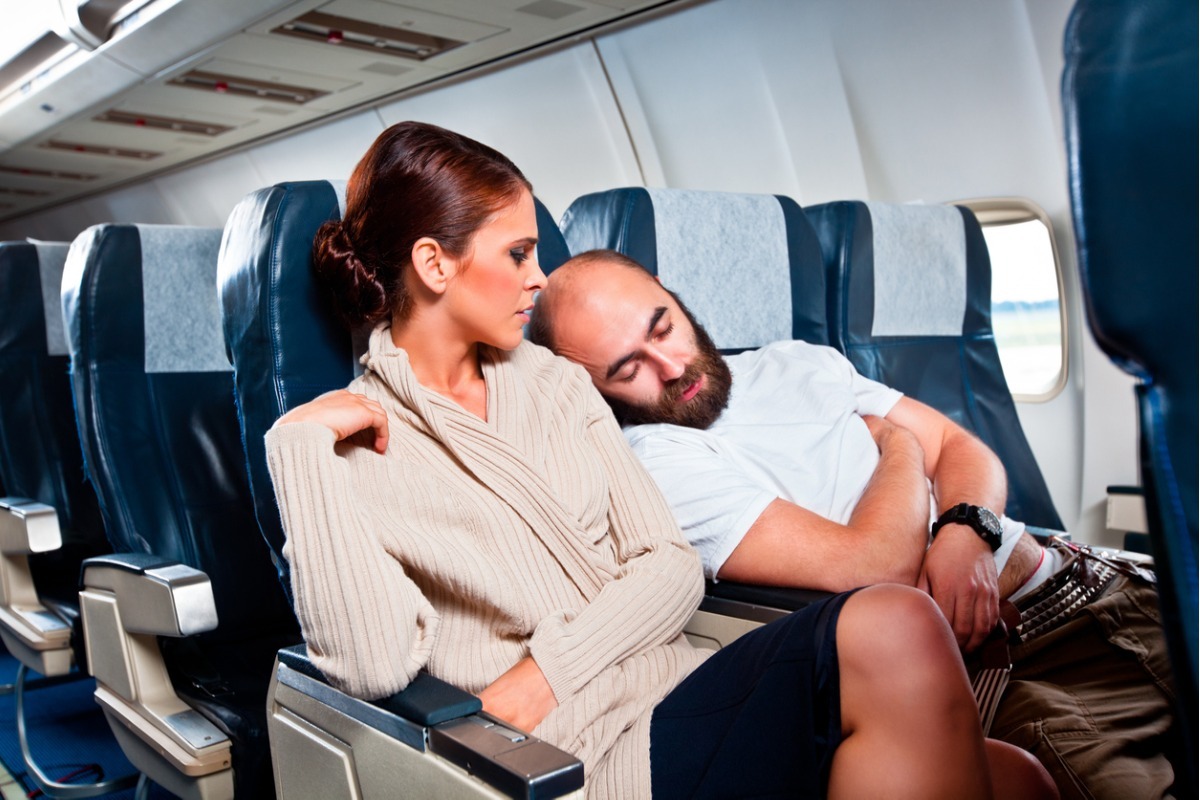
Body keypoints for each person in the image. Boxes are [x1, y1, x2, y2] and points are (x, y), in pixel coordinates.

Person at [264, 121, 1054, 799]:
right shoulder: (348, 443)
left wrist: (546, 671)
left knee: (1020, 781)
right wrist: (296, 452)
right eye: (518, 251)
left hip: (663, 684)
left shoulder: (556, 387)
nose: (539, 277)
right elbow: (370, 668)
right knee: (895, 625)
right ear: (436, 265)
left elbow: (671, 566)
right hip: (560, 755)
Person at [528, 248, 1179, 800]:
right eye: (627, 368)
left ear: (674, 297)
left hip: (1106, 582)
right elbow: (875, 571)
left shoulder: (795, 360)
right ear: (594, 390)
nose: (671, 368)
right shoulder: (654, 464)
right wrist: (900, 446)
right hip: (1020, 663)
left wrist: (962, 531)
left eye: (661, 327)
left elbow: (963, 448)